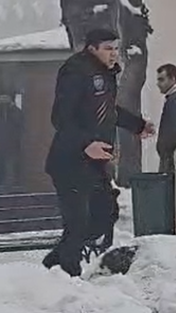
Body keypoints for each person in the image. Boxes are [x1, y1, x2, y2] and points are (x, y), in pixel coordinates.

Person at [42, 28, 155, 277]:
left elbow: (107, 112)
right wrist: (85, 144)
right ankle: (68, 276)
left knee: (105, 213)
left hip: (94, 162)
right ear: (92, 48)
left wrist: (137, 125)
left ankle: (51, 266)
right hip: (70, 161)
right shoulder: (76, 71)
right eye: (108, 49)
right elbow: (60, 117)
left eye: (116, 48)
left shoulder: (105, 73)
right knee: (77, 223)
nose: (114, 54)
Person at [0, 93, 25, 195]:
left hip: (11, 147)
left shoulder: (16, 112)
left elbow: (21, 126)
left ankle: (7, 193)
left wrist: (12, 109)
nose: (4, 100)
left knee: (10, 172)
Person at [157, 63, 175, 175]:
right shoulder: (171, 99)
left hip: (170, 158)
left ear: (173, 79)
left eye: (162, 80)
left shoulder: (174, 100)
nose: (158, 84)